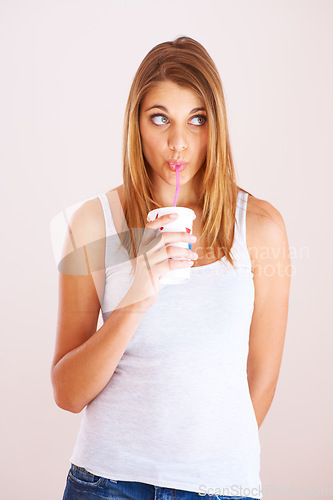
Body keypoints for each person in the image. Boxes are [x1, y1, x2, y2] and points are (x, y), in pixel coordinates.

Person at [51, 36, 291, 500]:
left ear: (215, 126)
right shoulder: (93, 224)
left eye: (196, 120)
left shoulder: (260, 227)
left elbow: (260, 378)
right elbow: (67, 392)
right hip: (107, 482)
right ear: (136, 124)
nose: (178, 143)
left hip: (219, 486)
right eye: (159, 118)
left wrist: (206, 464)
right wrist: (136, 299)